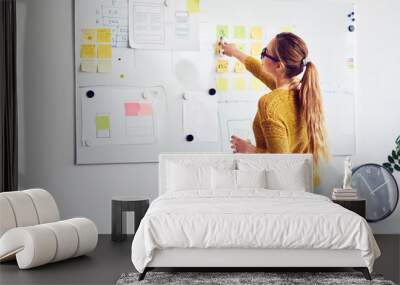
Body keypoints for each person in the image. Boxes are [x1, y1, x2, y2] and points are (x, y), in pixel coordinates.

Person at [222, 32, 330, 185]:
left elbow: (280, 163)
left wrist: (249, 150)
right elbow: (260, 71)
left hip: (282, 187)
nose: (262, 55)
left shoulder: (270, 104)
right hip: (302, 183)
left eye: (265, 52)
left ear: (279, 66)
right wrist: (234, 52)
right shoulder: (301, 91)